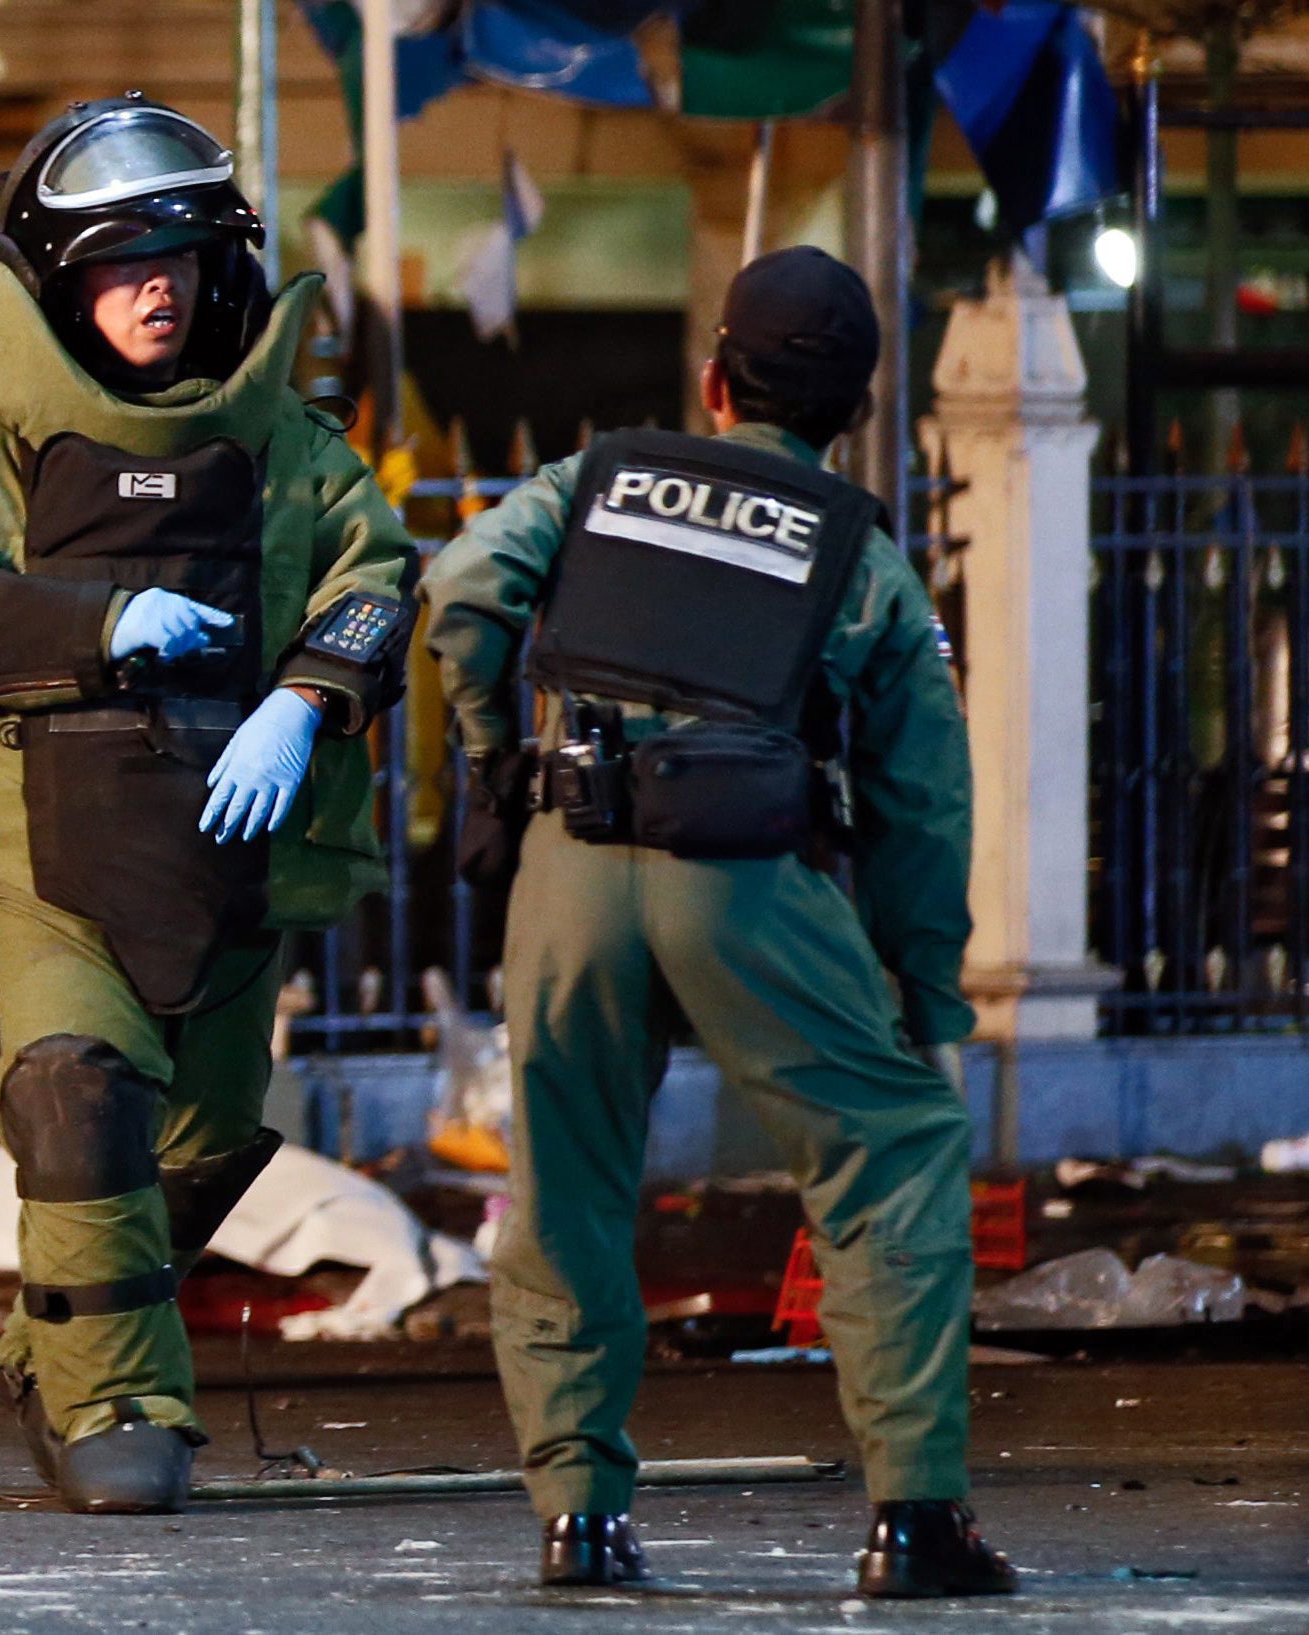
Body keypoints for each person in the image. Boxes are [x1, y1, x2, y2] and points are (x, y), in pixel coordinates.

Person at [0, 94, 417, 1515]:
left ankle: (48, 1339)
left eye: (176, 257)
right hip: (45, 853)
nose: (155, 288)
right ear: (55, 278)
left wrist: (304, 703)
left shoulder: (284, 439)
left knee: (207, 1141)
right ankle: (114, 1400)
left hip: (235, 852)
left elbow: (375, 575)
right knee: (74, 1092)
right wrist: (96, 624)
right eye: (117, 262)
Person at [420, 246, 1016, 1599]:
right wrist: (923, 995)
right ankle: (916, 1523)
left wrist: (492, 765)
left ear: (713, 374)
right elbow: (926, 797)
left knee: (568, 1185)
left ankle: (580, 1516)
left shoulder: (600, 483)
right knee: (895, 1155)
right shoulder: (857, 553)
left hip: (573, 865)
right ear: (855, 409)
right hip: (751, 879)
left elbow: (460, 590)